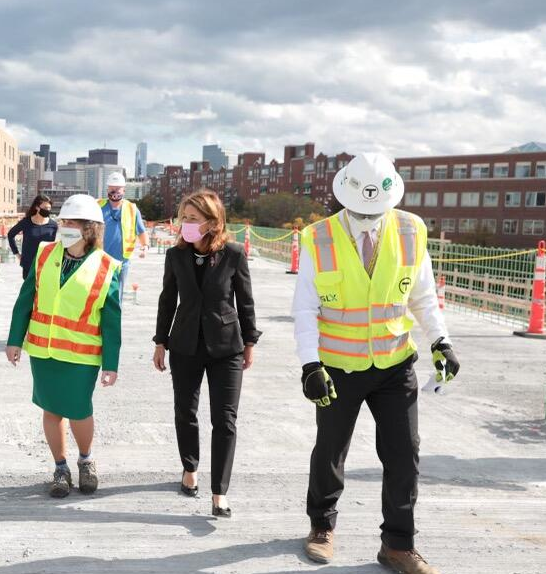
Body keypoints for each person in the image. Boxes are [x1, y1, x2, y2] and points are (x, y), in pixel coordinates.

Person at [293, 153, 460, 574]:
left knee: (405, 453)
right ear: (344, 199)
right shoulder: (319, 238)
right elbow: (304, 309)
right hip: (337, 368)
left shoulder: (411, 230)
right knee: (330, 450)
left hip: (394, 363)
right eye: (360, 210)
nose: (368, 217)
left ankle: (398, 544)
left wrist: (441, 341)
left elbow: (423, 295)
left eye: (376, 210)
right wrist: (310, 365)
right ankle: (321, 527)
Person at [5, 194, 121, 498]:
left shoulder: (106, 267)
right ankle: (60, 468)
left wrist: (111, 363)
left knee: (79, 410)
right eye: (64, 220)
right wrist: (14, 339)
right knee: (51, 409)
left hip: (81, 357)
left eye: (72, 222)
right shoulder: (45, 254)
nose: (64, 226)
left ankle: (86, 460)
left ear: (89, 228)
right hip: (44, 353)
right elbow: (25, 299)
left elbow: (111, 321)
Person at [153, 190, 259, 518]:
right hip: (184, 345)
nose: (186, 224)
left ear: (212, 223)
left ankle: (219, 492)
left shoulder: (233, 254)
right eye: (183, 217)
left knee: (224, 420)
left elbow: (245, 302)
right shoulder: (175, 256)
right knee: (185, 411)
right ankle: (190, 469)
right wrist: (160, 341)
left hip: (226, 347)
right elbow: (167, 299)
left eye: (193, 219)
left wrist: (250, 342)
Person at [98, 172, 147, 300]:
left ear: (124, 190)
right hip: (99, 259)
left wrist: (145, 246)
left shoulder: (132, 209)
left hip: (122, 262)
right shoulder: (98, 206)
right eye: (112, 188)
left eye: (118, 188)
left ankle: (115, 319)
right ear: (107, 188)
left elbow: (141, 231)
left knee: (116, 296)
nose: (114, 191)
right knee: (98, 294)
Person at [7, 194, 58, 279]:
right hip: (29, 265)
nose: (48, 210)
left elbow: (53, 245)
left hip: (46, 264)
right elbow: (10, 235)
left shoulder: (53, 225)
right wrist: (17, 254)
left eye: (49, 208)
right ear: (37, 207)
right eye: (45, 208)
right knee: (29, 291)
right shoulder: (26, 222)